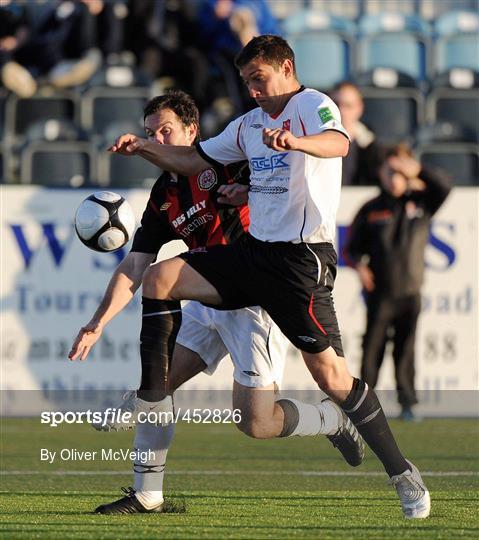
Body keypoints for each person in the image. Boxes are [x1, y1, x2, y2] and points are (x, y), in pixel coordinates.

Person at [108, 35, 432, 519]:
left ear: (285, 66)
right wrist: (145, 151)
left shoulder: (311, 106)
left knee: (332, 378)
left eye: (258, 79)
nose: (253, 90)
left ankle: (403, 473)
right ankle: (152, 398)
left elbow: (338, 143)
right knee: (159, 278)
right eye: (246, 83)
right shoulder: (249, 123)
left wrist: (297, 142)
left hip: (300, 263)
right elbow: (195, 159)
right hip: (254, 254)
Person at [69, 90, 364, 514]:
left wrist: (247, 190)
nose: (157, 140)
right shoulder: (162, 198)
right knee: (156, 387)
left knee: (256, 424)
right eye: (151, 133)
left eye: (166, 131)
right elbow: (135, 267)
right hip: (206, 300)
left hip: (253, 300)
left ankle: (330, 419)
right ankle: (147, 494)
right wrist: (97, 324)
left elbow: (285, 180)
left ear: (192, 131)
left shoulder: (231, 159)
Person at [343, 144, 452, 421]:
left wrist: (418, 170)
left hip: (410, 290)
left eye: (399, 172)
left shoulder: (422, 201)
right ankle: (364, 405)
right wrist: (360, 268)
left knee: (406, 349)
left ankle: (408, 403)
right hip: (380, 292)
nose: (394, 178)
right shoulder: (370, 209)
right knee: (372, 349)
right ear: (380, 172)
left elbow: (444, 186)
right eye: (390, 171)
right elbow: (351, 249)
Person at [332, 81, 380, 186]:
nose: (341, 110)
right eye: (335, 104)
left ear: (359, 108)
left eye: (348, 105)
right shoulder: (314, 138)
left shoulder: (370, 145)